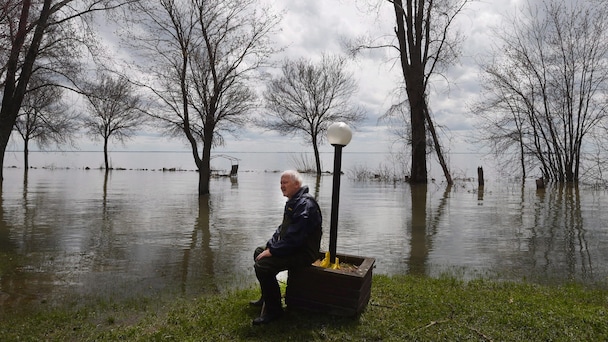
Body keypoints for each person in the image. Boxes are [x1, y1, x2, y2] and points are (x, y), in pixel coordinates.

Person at [250, 170, 322, 325]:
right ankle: (267, 296)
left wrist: (273, 251)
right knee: (259, 251)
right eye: (281, 183)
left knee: (263, 266)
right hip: (293, 248)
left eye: (285, 182)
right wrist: (271, 245)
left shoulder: (305, 205)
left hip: (304, 253)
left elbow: (295, 238)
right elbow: (282, 230)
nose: (282, 186)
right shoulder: (294, 201)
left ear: (297, 184)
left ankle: (274, 311)